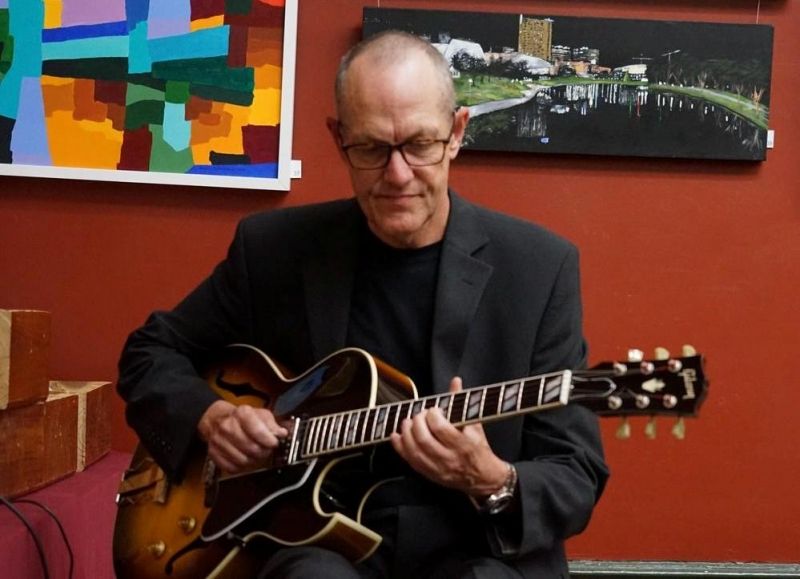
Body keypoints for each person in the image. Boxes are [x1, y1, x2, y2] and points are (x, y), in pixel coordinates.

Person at [118, 30, 608, 579]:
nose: (398, 175)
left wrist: (492, 478)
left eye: (419, 145)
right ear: (338, 139)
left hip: (477, 547)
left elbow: (575, 473)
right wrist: (212, 418)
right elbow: (149, 352)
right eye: (372, 149)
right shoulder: (274, 249)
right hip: (316, 542)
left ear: (456, 133)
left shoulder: (539, 267)